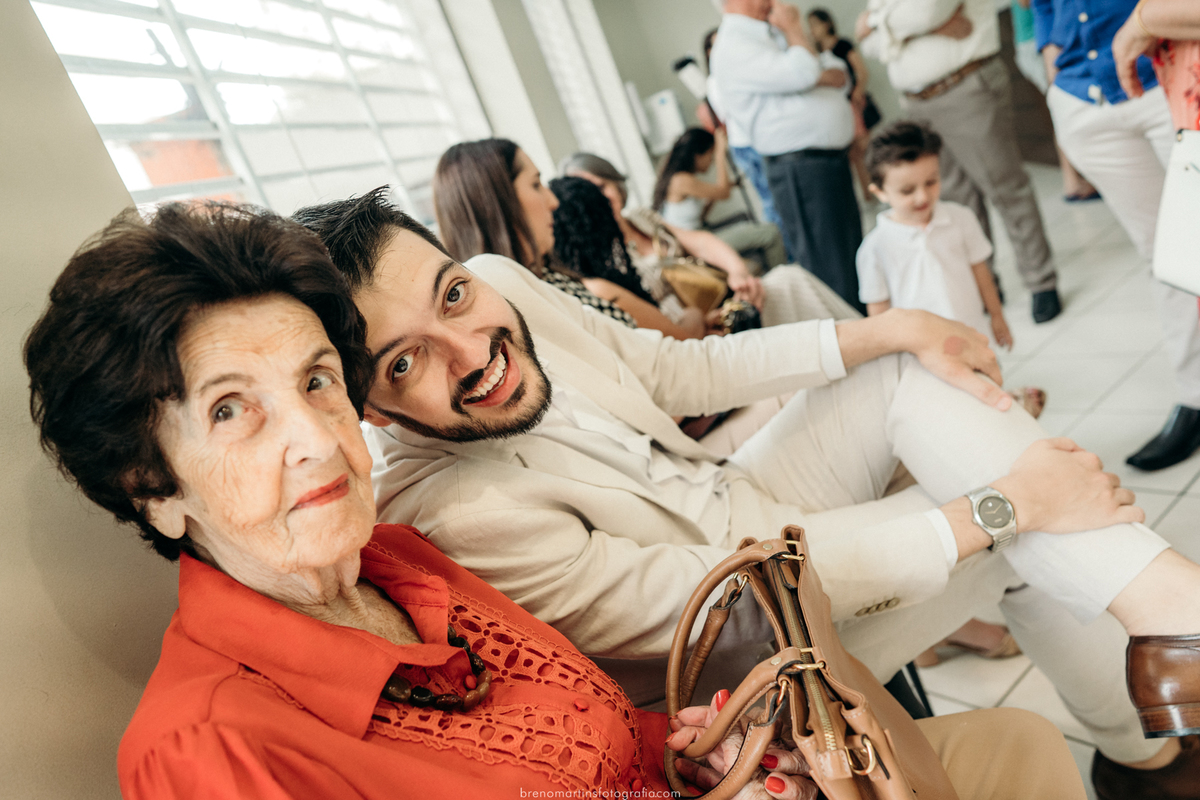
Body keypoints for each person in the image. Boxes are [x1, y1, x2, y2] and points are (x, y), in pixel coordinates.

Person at [25, 203, 1088, 800]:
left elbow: (605, 734)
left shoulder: (409, 568)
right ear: (153, 486)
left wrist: (690, 751)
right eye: (232, 410)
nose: (316, 437)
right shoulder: (207, 745)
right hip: (748, 578)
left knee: (1025, 747)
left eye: (314, 380)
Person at [296, 188, 1200, 785]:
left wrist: (891, 331)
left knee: (909, 377)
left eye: (450, 298)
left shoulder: (498, 282)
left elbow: (674, 371)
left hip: (737, 495)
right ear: (367, 404)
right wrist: (1008, 504)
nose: (472, 354)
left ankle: (1166, 614)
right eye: (405, 360)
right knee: (1019, 521)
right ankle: (1146, 737)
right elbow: (722, 597)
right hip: (753, 649)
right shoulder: (451, 510)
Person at [1033, 0, 1200, 476]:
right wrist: (1052, 71)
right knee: (1166, 255)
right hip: (1082, 99)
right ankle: (1195, 397)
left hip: (1165, 76)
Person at [857, 0, 1065, 324]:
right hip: (916, 101)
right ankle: (984, 285)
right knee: (953, 197)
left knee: (1005, 187)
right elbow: (867, 42)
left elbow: (926, 12)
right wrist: (916, 26)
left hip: (966, 87)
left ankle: (1041, 282)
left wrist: (882, 23)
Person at [433, 137, 709, 341]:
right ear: (499, 206)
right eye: (535, 184)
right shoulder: (533, 307)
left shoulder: (554, 283)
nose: (552, 201)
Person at [857, 121, 1046, 418]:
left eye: (931, 182)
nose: (922, 197)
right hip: (921, 351)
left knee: (984, 390)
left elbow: (980, 271)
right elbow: (879, 314)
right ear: (879, 192)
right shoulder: (874, 248)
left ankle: (1006, 413)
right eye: (907, 190)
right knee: (946, 409)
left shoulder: (960, 218)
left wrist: (996, 315)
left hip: (970, 331)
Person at [558, 151, 857, 330]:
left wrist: (738, 272)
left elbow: (699, 241)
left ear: (616, 183)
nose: (601, 197)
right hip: (699, 328)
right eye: (588, 191)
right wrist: (703, 321)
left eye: (602, 185)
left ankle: (867, 340)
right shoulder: (603, 260)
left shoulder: (641, 217)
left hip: (725, 298)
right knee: (790, 282)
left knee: (788, 279)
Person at [709, 0, 866, 313]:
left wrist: (806, 67)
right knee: (831, 270)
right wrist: (797, 36)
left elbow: (839, 73)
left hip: (826, 161)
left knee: (854, 258)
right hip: (800, 169)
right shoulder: (734, 44)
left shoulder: (770, 32)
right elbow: (807, 71)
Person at [701, 26, 790, 259]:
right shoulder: (715, 81)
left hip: (761, 140)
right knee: (770, 200)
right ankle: (787, 252)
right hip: (746, 144)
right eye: (714, 44)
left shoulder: (739, 69)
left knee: (781, 197)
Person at [652, 126, 787, 269]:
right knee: (770, 233)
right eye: (711, 155)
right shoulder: (681, 180)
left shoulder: (680, 178)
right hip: (695, 247)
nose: (711, 162)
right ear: (697, 156)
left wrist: (714, 194)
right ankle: (782, 279)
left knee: (747, 221)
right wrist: (720, 153)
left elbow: (705, 210)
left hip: (699, 237)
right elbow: (724, 193)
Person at [1010, 0, 1101, 202]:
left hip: (1044, 39)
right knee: (1061, 106)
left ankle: (1073, 179)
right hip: (1037, 41)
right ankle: (1072, 181)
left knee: (1061, 108)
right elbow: (1026, 3)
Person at [807, 8, 880, 199]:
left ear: (827, 24)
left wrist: (857, 93)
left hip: (853, 103)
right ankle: (868, 194)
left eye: (815, 24)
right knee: (853, 155)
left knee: (866, 149)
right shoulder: (816, 54)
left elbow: (862, 72)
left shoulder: (842, 45)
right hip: (836, 109)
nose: (812, 29)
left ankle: (879, 189)